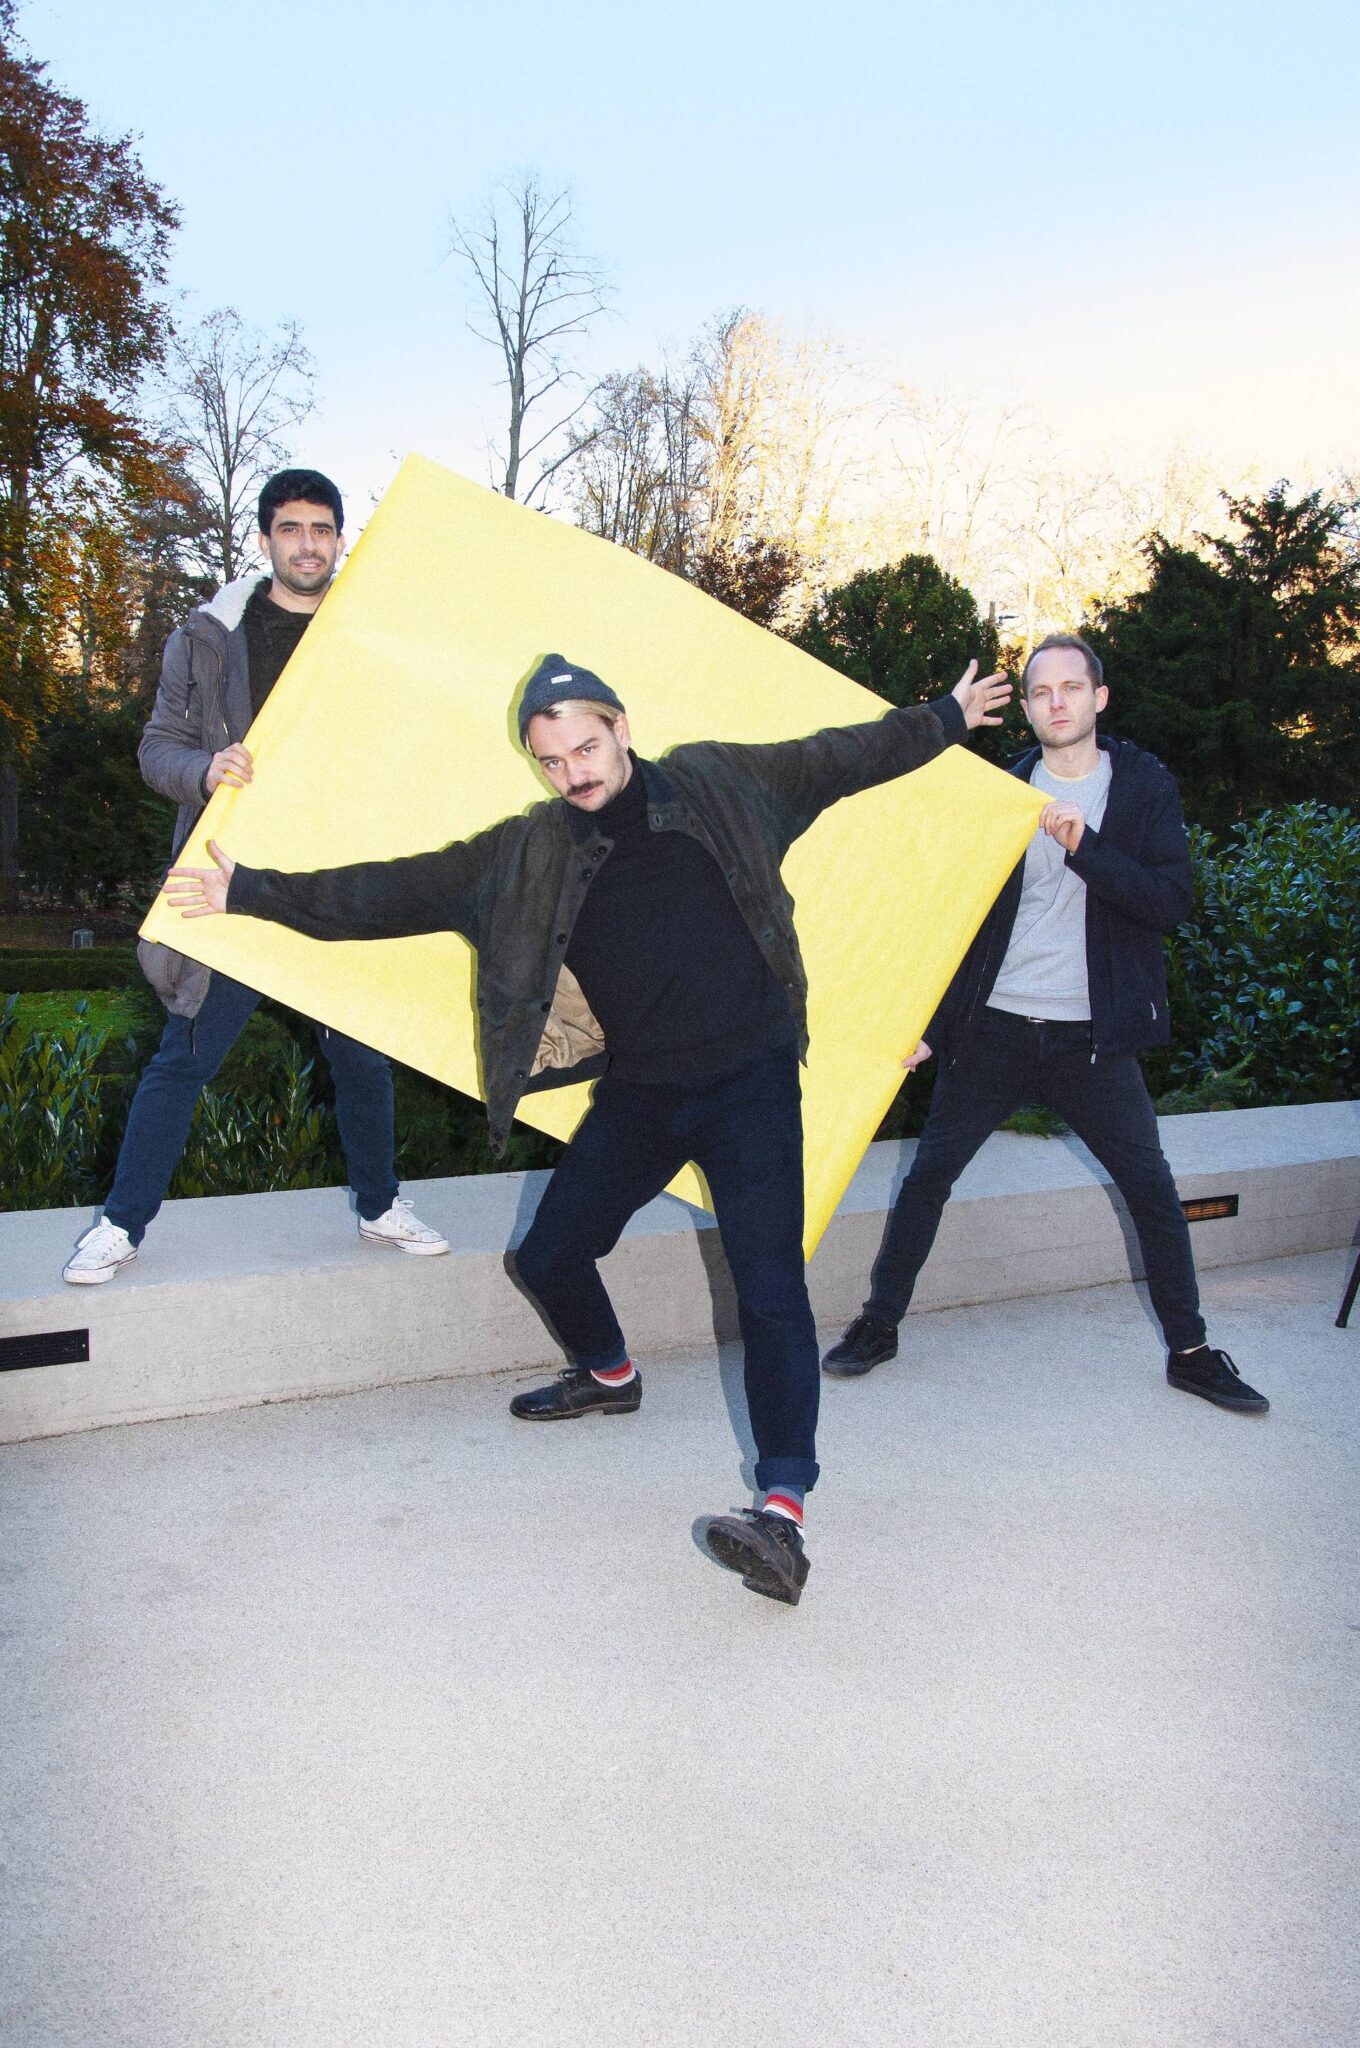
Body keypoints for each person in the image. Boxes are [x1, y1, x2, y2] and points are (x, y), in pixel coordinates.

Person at [157, 651, 1012, 1604]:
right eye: (553, 759)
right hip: (645, 1093)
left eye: (587, 746)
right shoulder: (527, 853)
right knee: (551, 1254)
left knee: (770, 1290)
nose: (576, 771)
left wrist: (947, 713)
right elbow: (392, 891)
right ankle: (609, 1375)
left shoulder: (722, 783)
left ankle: (782, 1509)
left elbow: (841, 756)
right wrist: (252, 891)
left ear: (622, 730)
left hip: (752, 1082)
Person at [823, 632, 1269, 1415]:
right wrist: (934, 1023)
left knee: (1153, 1193)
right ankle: (880, 1323)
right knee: (926, 1180)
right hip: (993, 1030)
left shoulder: (1142, 788)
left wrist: (1083, 847)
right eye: (1040, 691)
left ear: (1099, 699)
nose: (1055, 701)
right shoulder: (1004, 791)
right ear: (1026, 709)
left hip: (1090, 1041)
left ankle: (1192, 1352)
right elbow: (956, 920)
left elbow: (1169, 903)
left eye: (1071, 687)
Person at [62, 468, 448, 1285]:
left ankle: (379, 1208)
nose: (308, 544)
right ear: (266, 538)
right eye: (291, 529)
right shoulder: (208, 635)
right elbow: (155, 749)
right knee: (186, 1057)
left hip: (334, 881)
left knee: (362, 1058)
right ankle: (120, 1225)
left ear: (341, 539)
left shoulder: (376, 630)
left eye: (322, 529)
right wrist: (206, 771)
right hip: (231, 877)